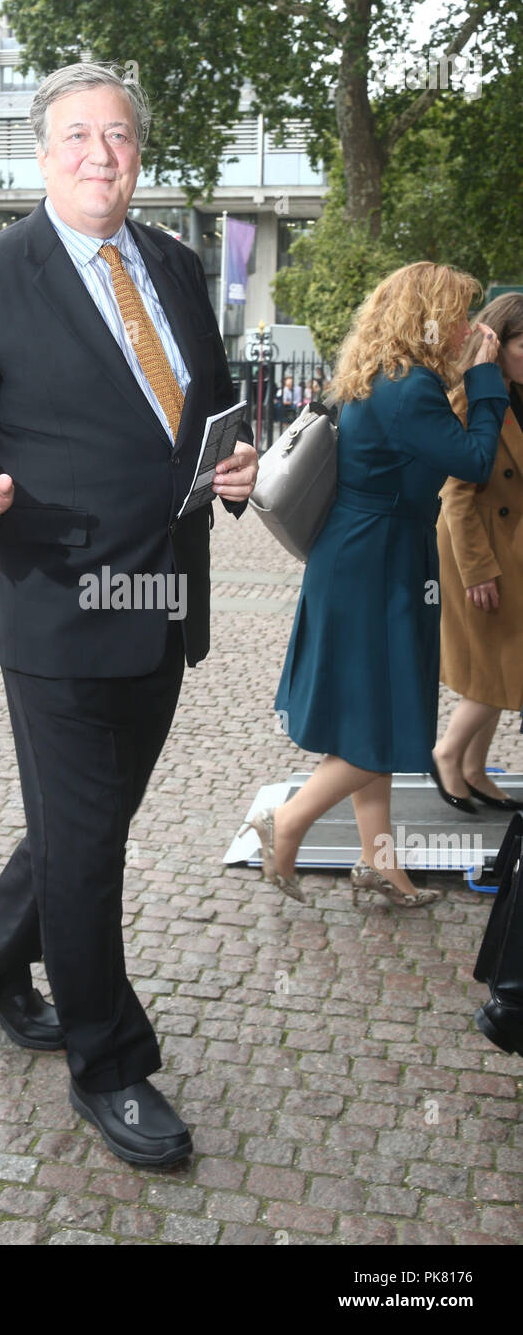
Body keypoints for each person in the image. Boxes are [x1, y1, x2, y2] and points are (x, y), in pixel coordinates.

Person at [0, 62, 258, 1167]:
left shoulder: (174, 262)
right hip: (51, 605)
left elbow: (202, 409)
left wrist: (235, 467)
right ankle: (108, 1062)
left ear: (137, 153)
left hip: (161, 597)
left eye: (117, 135)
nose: (100, 153)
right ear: (42, 152)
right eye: (76, 136)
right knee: (92, 838)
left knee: (79, 822)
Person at [243, 261, 508, 908]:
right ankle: (290, 822)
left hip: (364, 554)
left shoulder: (379, 376)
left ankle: (378, 862)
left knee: (369, 718)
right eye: (460, 314)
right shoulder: (411, 387)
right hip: (380, 560)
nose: (470, 326)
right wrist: (484, 375)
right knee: (389, 725)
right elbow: (474, 458)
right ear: (431, 319)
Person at [432, 294, 523, 812]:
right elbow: (456, 492)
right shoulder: (474, 395)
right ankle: (448, 755)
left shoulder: (516, 392)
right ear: (498, 341)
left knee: (501, 666)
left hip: (508, 547)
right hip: (478, 547)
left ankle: (473, 767)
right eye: (522, 344)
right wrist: (478, 571)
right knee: (499, 666)